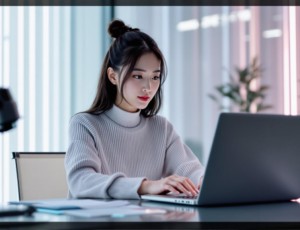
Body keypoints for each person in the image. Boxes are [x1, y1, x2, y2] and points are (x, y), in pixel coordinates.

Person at [65, 19, 205, 199]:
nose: (148, 87)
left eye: (155, 77)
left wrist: (204, 180)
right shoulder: (85, 124)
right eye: (138, 76)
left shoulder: (161, 128)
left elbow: (189, 168)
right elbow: (81, 181)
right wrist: (145, 186)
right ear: (113, 76)